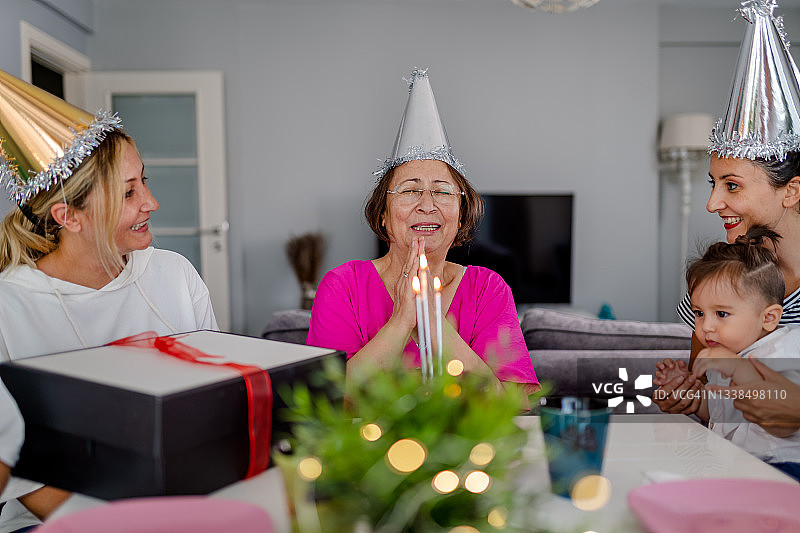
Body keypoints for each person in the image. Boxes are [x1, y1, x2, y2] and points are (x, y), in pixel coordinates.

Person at [0, 70, 217, 531]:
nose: (152, 202)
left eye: (144, 181)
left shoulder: (174, 275)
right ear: (69, 216)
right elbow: (25, 480)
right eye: (128, 192)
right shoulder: (9, 309)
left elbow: (212, 405)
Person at [306, 68, 538, 393]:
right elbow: (330, 401)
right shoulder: (343, 287)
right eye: (410, 190)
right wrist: (402, 319)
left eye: (442, 191)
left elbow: (511, 405)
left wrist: (435, 323)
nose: (427, 204)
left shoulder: (488, 289)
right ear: (383, 215)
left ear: (460, 216)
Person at [653, 1, 800, 433]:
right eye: (713, 184)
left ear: (791, 190)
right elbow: (711, 391)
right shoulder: (722, 279)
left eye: (732, 185)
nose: (712, 204)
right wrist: (686, 394)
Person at [656, 226, 800, 480]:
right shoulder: (727, 353)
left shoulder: (785, 348)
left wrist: (739, 368)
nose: (705, 326)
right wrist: (692, 397)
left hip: (783, 468)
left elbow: (785, 419)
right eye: (699, 313)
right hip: (735, 465)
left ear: (769, 318)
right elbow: (719, 411)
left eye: (721, 314)